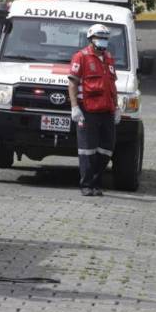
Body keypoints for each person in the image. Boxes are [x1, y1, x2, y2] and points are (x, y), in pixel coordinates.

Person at [68, 23, 121, 196]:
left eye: (105, 38)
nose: (103, 41)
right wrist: (75, 106)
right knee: (87, 149)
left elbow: (112, 85)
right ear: (91, 39)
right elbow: (73, 83)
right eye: (100, 37)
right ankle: (86, 185)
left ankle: (96, 182)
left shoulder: (109, 58)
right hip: (88, 110)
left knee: (107, 148)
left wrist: (117, 107)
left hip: (107, 110)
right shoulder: (81, 57)